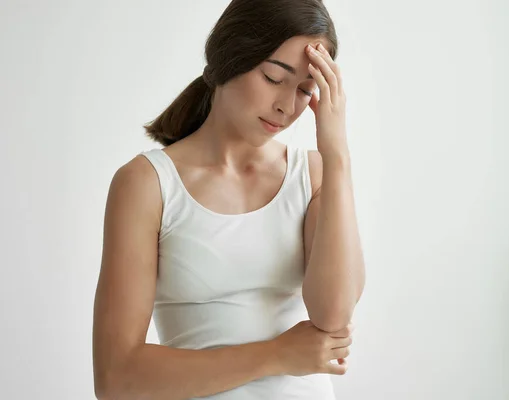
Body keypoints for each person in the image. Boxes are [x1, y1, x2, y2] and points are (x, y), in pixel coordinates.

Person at [92, 0, 365, 399]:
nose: (286, 107)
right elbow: (116, 379)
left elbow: (334, 315)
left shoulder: (315, 176)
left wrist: (336, 155)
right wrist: (276, 355)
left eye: (306, 90)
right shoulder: (147, 184)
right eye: (274, 77)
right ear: (229, 58)